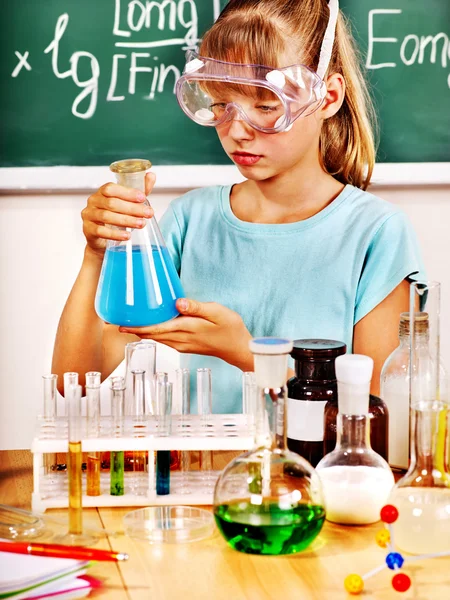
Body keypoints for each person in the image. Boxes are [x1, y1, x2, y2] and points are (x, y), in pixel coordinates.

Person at [52, 0, 424, 413]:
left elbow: (375, 420)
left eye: (266, 107)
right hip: (204, 474)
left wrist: (248, 355)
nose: (238, 131)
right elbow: (77, 385)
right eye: (220, 105)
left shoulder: (376, 233)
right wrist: (96, 255)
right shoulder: (189, 222)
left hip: (316, 477)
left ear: (328, 98)